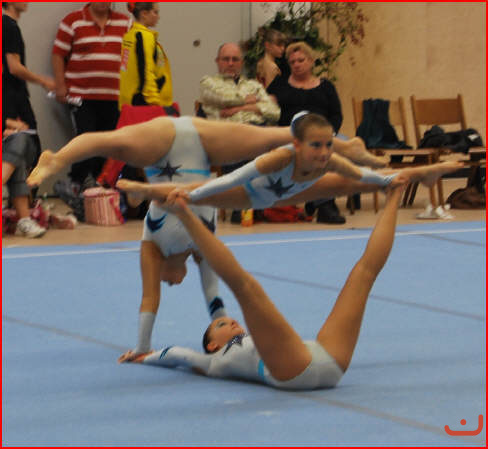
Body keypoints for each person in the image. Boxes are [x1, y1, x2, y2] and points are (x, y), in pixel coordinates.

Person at [27, 115, 295, 361]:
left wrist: (143, 348)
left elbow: (149, 298)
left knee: (110, 143)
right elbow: (213, 297)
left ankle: (61, 159)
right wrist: (230, 339)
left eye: (163, 281)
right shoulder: (202, 248)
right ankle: (61, 160)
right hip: (201, 142)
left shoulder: (152, 247)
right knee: (278, 136)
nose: (170, 283)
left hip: (162, 142)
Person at [127, 183, 411, 390]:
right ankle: (186, 216)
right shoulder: (214, 362)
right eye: (222, 324)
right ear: (213, 345)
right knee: (243, 285)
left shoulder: (254, 340)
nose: (231, 320)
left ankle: (394, 197)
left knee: (364, 273)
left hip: (327, 357)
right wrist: (145, 355)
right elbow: (177, 355)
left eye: (225, 320)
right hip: (290, 368)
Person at [114, 113, 416, 213]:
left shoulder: (329, 162)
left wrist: (387, 179)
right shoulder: (281, 157)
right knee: (193, 192)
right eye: (316, 145)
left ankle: (148, 192)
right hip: (247, 195)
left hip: (270, 200)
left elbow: (361, 174)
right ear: (296, 144)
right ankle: (144, 190)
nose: (324, 152)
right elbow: (233, 179)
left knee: (193, 195)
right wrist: (196, 193)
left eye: (329, 144)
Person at [267, 41, 361, 224]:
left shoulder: (326, 86)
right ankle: (325, 205)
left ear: (311, 61)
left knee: (348, 147)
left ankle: (316, 198)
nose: (296, 64)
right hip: (292, 136)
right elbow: (266, 107)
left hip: (325, 134)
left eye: (301, 60)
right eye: (292, 62)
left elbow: (336, 115)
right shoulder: (279, 85)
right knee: (316, 151)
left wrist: (329, 134)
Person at [200, 42, 281, 223]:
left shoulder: (253, 85)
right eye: (226, 59)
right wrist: (252, 102)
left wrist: (239, 108)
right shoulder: (208, 83)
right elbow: (222, 98)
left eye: (235, 59)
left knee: (267, 144)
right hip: (226, 134)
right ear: (217, 61)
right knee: (240, 144)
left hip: (255, 131)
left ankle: (253, 204)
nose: (230, 63)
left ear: (241, 62)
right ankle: (243, 204)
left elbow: (274, 111)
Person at [52, 2, 131, 188]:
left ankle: (101, 186)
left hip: (115, 98)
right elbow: (58, 55)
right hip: (81, 96)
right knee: (84, 140)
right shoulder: (72, 21)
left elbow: (132, 56)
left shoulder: (126, 23)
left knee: (108, 143)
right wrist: (60, 85)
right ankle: (79, 183)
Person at [2, 2, 55, 238]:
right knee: (23, 143)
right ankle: (23, 217)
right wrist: (43, 81)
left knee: (21, 149)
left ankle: (24, 218)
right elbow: (14, 67)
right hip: (12, 105)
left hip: (11, 109)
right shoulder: (8, 26)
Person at [119, 2, 173, 108]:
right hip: (145, 103)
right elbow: (146, 71)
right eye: (155, 12)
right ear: (144, 14)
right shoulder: (144, 37)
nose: (158, 16)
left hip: (129, 101)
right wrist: (153, 102)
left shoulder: (129, 35)